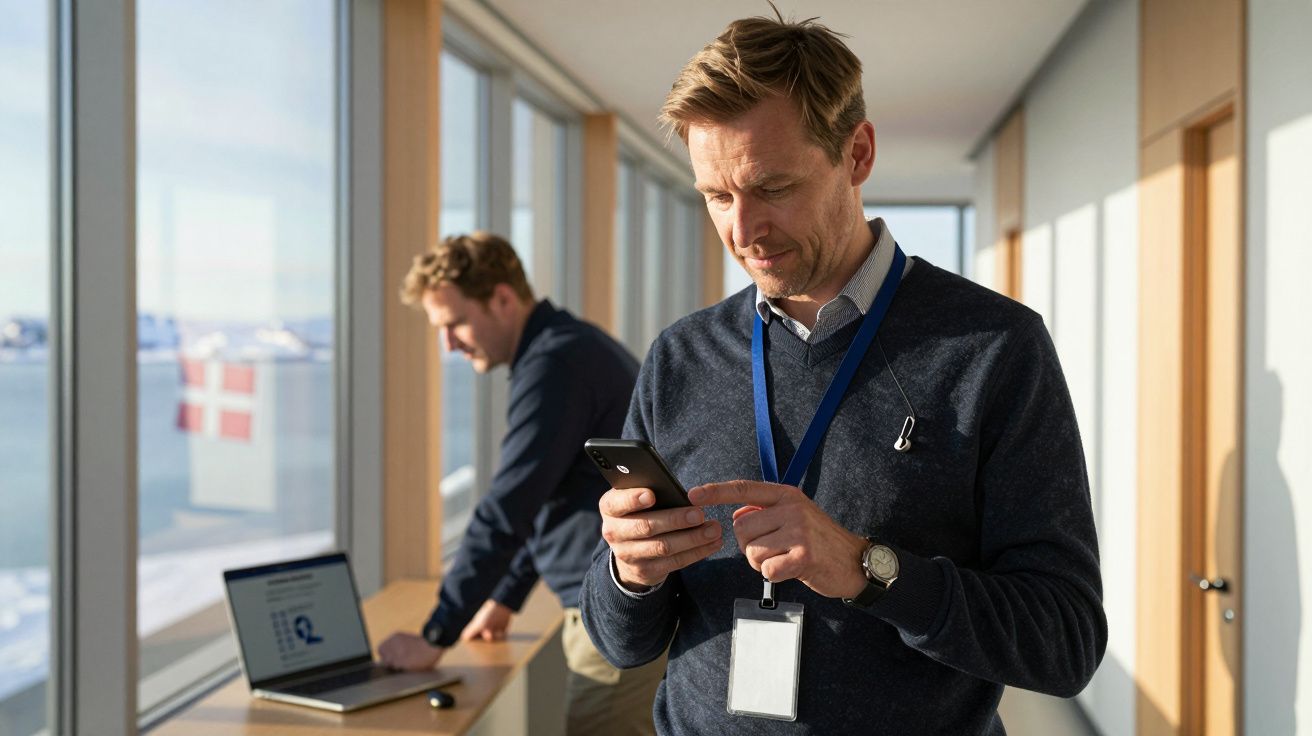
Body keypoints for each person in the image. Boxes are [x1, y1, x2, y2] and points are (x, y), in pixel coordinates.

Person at [579, 11, 1107, 735]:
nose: (743, 230)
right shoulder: (681, 357)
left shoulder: (993, 346)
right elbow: (621, 641)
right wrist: (627, 574)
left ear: (857, 154)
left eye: (773, 186)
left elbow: (1065, 643)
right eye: (717, 196)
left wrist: (869, 569)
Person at [381, 232, 665, 735]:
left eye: (455, 323)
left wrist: (436, 633)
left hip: (618, 607)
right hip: (622, 601)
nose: (448, 344)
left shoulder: (554, 365)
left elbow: (508, 507)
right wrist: (506, 596)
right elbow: (556, 496)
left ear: (503, 299)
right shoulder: (568, 346)